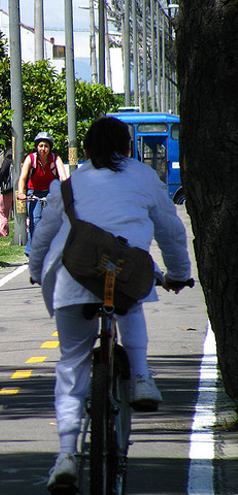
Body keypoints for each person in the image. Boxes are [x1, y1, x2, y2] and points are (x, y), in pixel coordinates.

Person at [28, 117, 191, 493]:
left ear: (86, 150)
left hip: (73, 278)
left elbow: (44, 235)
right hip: (126, 277)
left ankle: (67, 454)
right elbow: (170, 229)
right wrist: (179, 273)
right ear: (127, 146)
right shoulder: (144, 177)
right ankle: (141, 377)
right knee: (128, 301)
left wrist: (37, 271)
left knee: (71, 364)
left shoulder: (69, 184)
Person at [17, 132, 68, 256]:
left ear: (50, 148)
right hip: (34, 191)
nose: (43, 149)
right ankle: (31, 251)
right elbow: (23, 178)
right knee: (35, 221)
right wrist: (21, 193)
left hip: (51, 190)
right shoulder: (31, 159)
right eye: (40, 146)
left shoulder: (56, 159)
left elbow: (63, 177)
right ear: (37, 147)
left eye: (46, 146)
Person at [0, 148, 14, 237]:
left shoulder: (8, 159)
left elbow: (2, 171)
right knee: (22, 212)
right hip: (20, 189)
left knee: (3, 213)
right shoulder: (23, 158)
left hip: (8, 189)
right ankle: (26, 230)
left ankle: (3, 232)